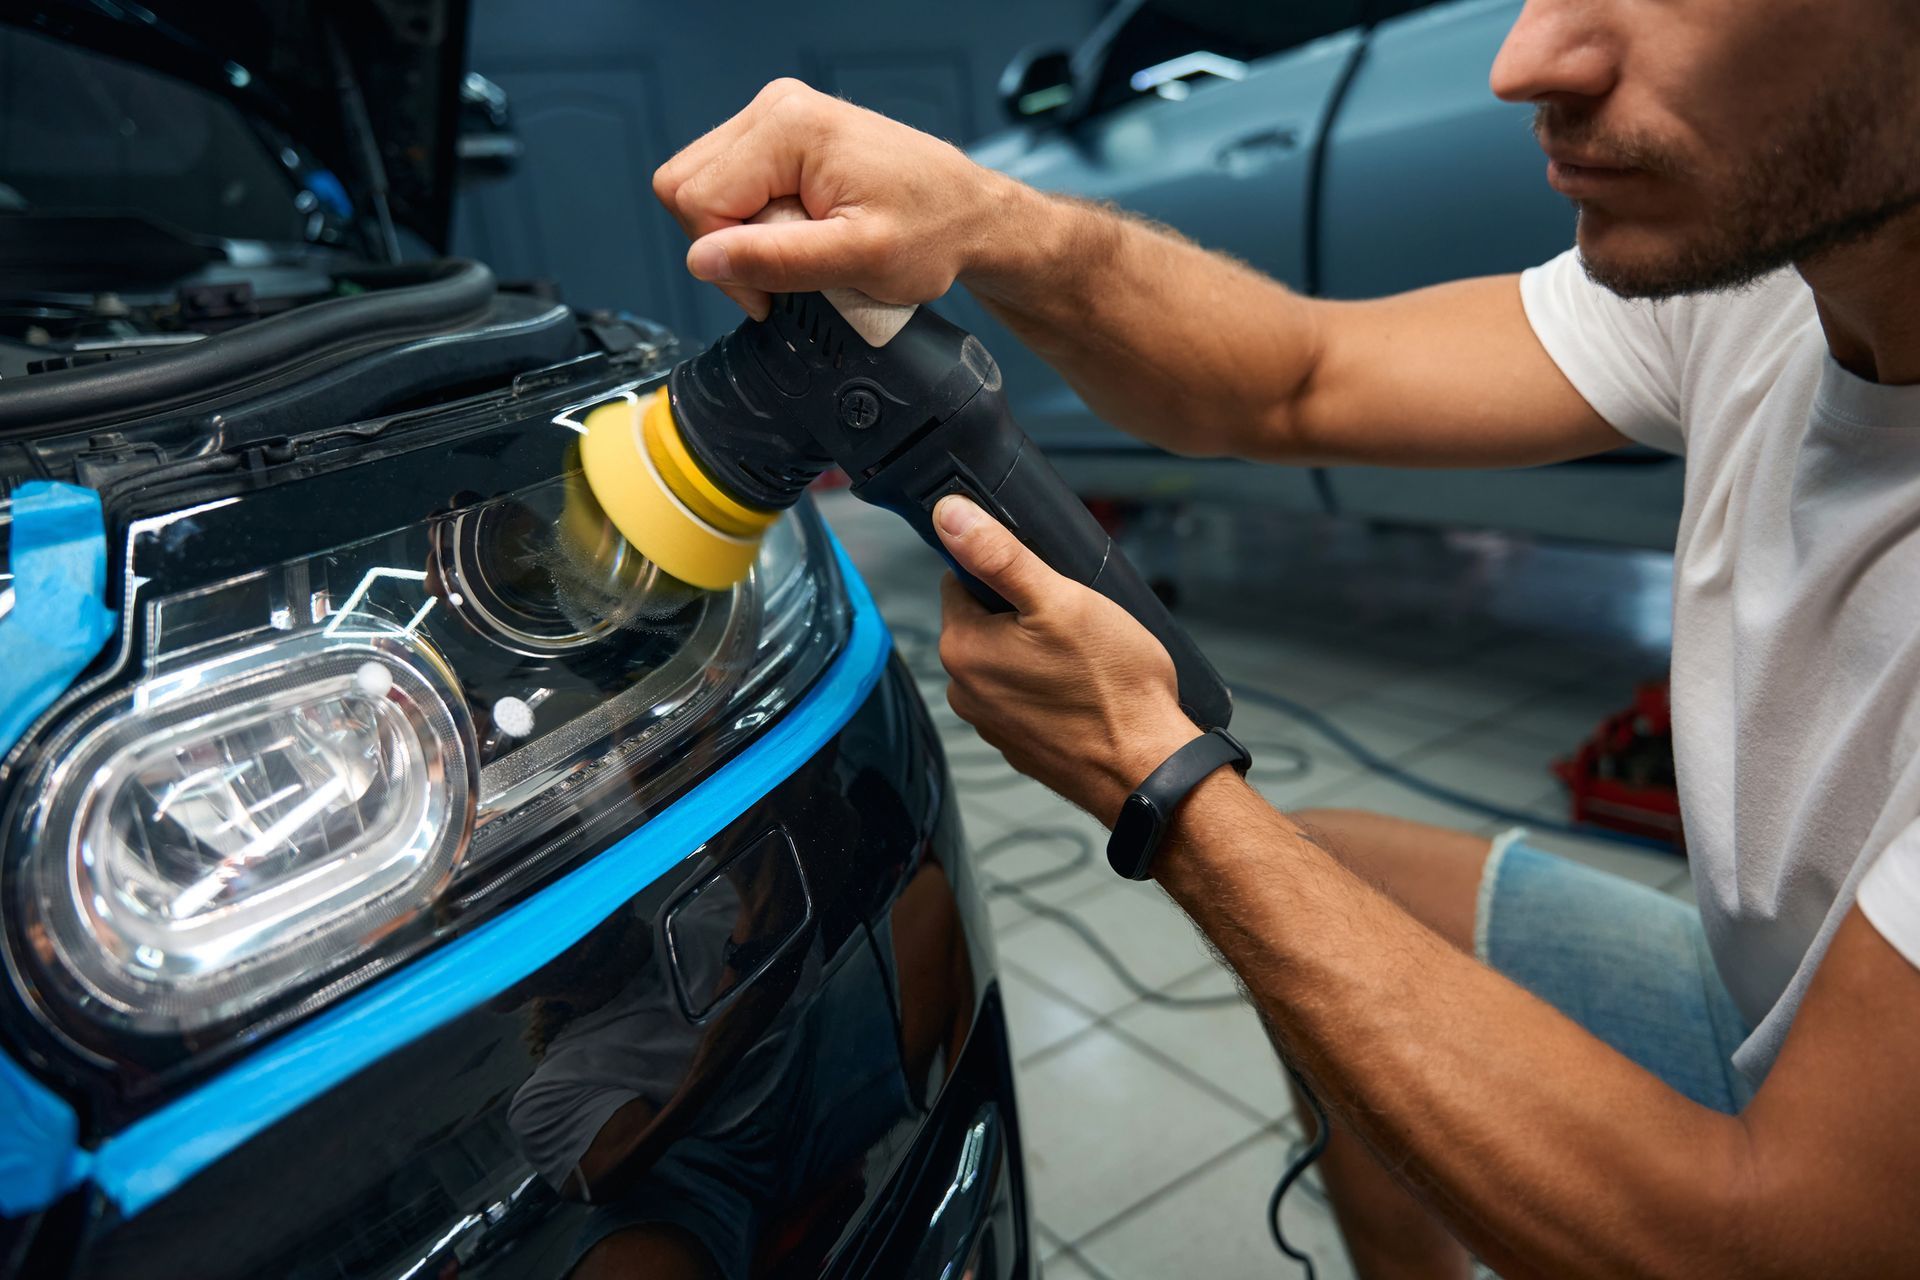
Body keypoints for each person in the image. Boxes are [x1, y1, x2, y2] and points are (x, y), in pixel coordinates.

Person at [650, 0, 1920, 1273]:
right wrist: (987, 217)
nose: (1523, 60)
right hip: (1769, 1004)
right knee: (1342, 876)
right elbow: (1297, 376)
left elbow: (1777, 1245)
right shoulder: (1761, 291)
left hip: (1801, 1199)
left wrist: (1163, 781)